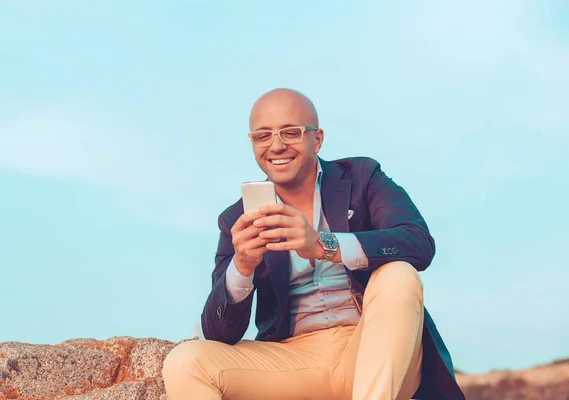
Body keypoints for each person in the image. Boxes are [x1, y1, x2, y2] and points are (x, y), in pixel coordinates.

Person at [162, 88, 465, 400]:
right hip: (292, 361)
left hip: (373, 348)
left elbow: (417, 242)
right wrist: (242, 267)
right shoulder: (236, 220)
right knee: (185, 362)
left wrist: (324, 244)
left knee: (398, 274)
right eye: (262, 136)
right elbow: (217, 334)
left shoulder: (362, 177)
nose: (276, 145)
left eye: (290, 132)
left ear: (317, 139)